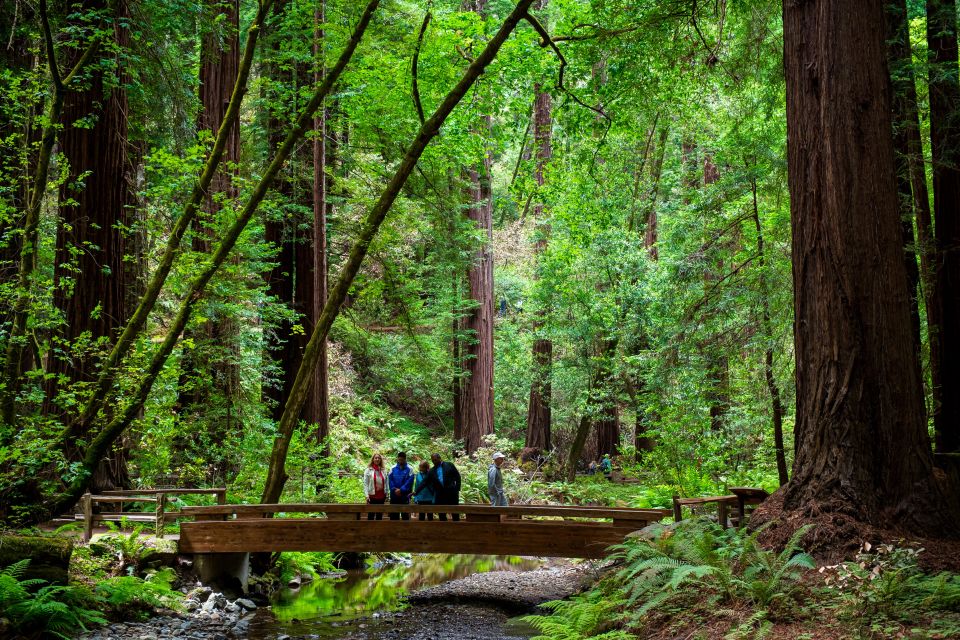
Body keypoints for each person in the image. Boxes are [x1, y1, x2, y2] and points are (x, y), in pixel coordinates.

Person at [416, 453, 461, 521]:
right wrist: (416, 492)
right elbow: (424, 482)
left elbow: (457, 477)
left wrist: (457, 489)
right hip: (440, 496)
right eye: (432, 460)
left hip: (452, 494)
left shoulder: (449, 465)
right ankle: (443, 531)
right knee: (442, 516)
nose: (434, 462)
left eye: (435, 460)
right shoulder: (432, 471)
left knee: (455, 515)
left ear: (440, 458)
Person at [388, 451, 414, 520]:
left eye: (402, 460)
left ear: (405, 459)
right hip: (394, 495)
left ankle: (405, 530)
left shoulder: (410, 468)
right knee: (393, 515)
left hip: (404, 495)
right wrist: (394, 489)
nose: (400, 461)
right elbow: (390, 480)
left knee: (405, 515)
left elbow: (410, 481)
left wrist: (401, 490)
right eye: (399, 460)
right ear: (397, 459)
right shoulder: (392, 468)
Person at [363, 453, 387, 520]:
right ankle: (370, 529)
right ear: (373, 459)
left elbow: (386, 482)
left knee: (379, 515)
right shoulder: (368, 470)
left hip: (382, 496)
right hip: (372, 496)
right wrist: (366, 495)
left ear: (380, 460)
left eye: (379, 458)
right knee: (371, 515)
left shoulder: (383, 470)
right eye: (375, 458)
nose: (377, 459)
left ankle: (378, 529)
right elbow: (365, 484)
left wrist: (386, 492)